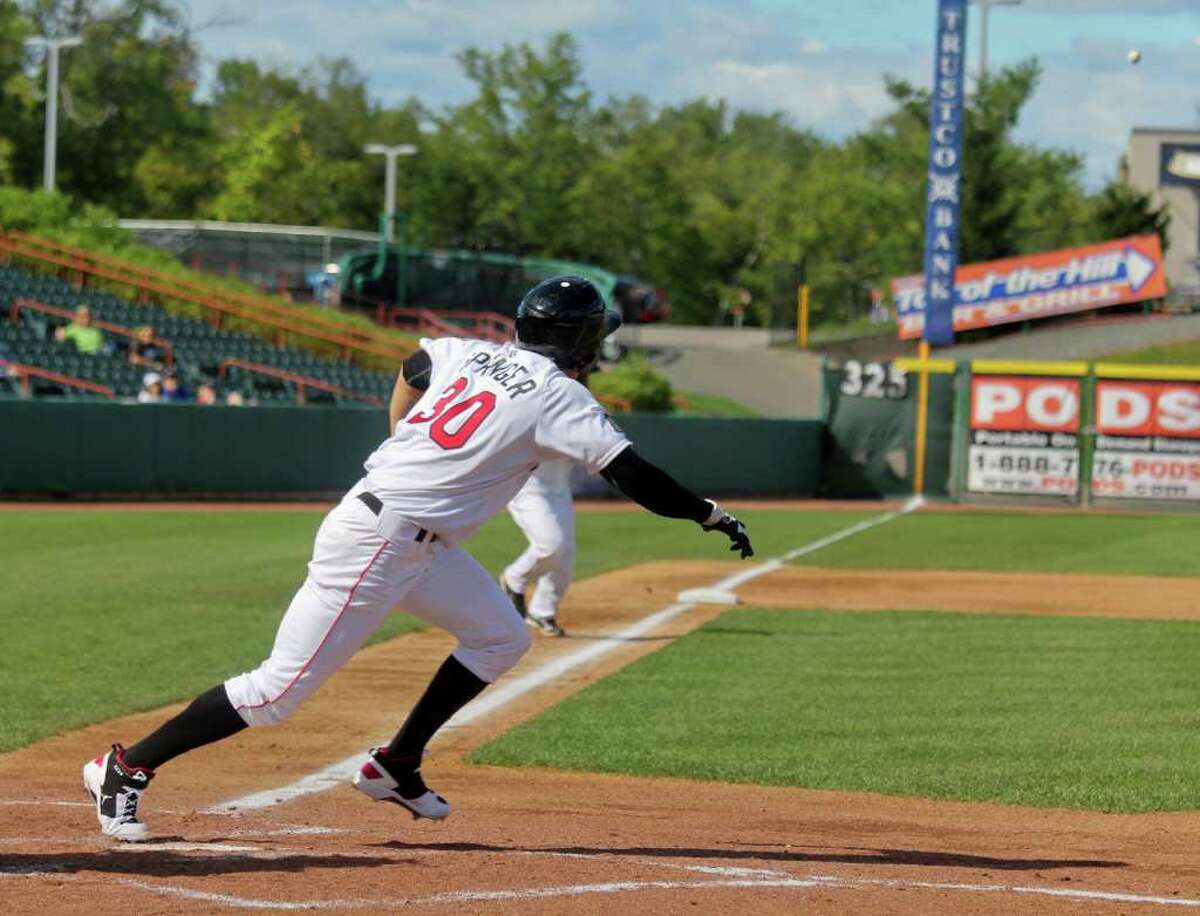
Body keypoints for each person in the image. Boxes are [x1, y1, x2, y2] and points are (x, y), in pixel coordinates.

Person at [82, 276, 753, 841]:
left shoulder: (467, 351)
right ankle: (126, 767)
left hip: (416, 542)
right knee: (275, 692)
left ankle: (395, 764)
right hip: (378, 542)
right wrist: (709, 513)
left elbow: (414, 368)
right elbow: (633, 475)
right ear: (583, 342)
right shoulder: (559, 394)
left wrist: (401, 432)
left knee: (501, 636)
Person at [500, 456, 576, 637]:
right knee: (550, 545)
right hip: (527, 486)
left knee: (564, 557)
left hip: (559, 488)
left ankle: (542, 612)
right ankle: (515, 578)